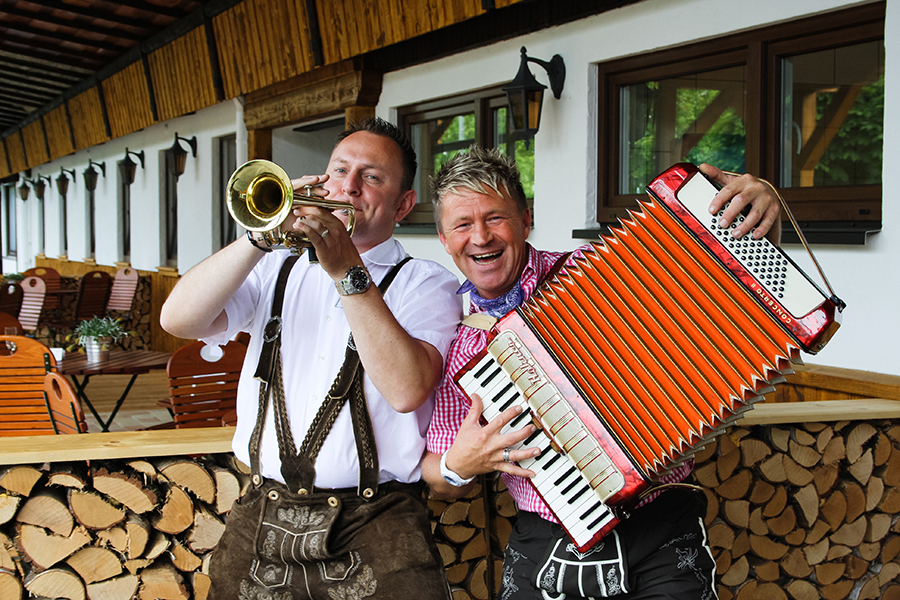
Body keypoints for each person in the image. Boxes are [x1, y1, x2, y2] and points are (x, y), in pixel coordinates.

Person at [423, 145, 782, 599]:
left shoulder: (594, 270)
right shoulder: (461, 346)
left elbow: (724, 288)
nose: (481, 237)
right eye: (462, 224)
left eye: (495, 217)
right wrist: (459, 465)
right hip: (545, 541)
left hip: (659, 526)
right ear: (443, 237)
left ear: (525, 219)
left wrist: (755, 213)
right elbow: (436, 470)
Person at [160, 117, 462, 599]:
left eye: (372, 177)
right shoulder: (275, 266)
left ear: (403, 204)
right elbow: (178, 318)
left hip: (377, 519)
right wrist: (260, 236)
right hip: (262, 509)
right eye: (339, 170)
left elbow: (406, 390)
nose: (348, 186)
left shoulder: (425, 282)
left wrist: (346, 270)